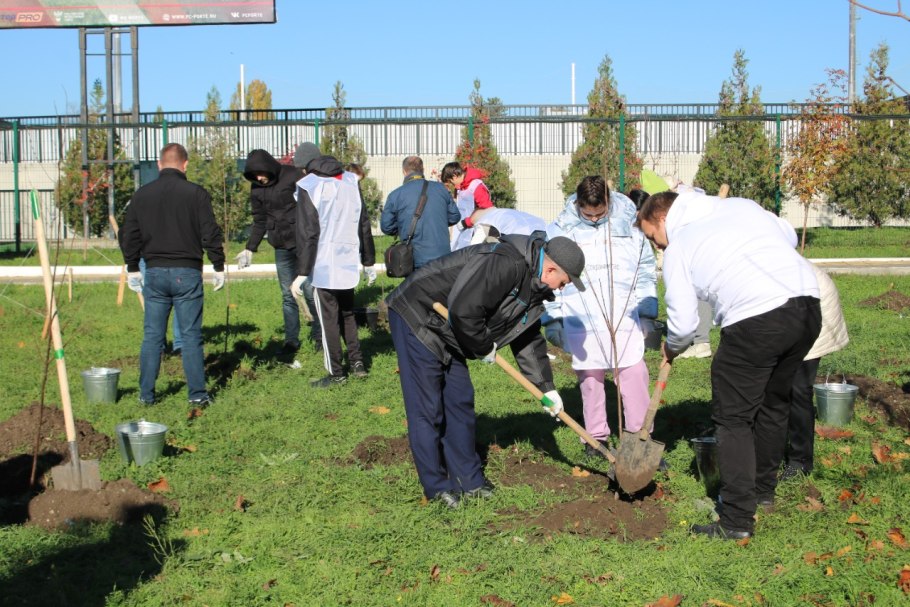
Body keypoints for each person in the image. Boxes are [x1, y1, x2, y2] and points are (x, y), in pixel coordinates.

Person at [636, 187, 821, 540]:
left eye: (653, 237)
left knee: (733, 417)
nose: (657, 246)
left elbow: (685, 324)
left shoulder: (681, 245)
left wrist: (671, 348)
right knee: (773, 403)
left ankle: (736, 518)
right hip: (807, 304)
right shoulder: (741, 206)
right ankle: (762, 492)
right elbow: (787, 233)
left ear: (662, 217)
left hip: (756, 316)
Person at [385, 231, 586, 508]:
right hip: (419, 314)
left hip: (450, 331)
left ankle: (470, 481)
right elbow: (465, 309)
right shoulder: (507, 262)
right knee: (427, 406)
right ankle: (437, 487)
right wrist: (483, 346)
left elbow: (527, 339)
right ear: (550, 268)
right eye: (563, 282)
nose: (560, 288)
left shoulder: (534, 287)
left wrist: (547, 388)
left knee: (460, 401)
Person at [548, 176, 658, 458]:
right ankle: (596, 437)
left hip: (623, 311)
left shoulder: (631, 223)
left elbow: (644, 269)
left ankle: (640, 436)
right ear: (578, 205)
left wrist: (646, 311)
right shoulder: (561, 229)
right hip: (581, 313)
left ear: (609, 202)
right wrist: (553, 319)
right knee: (590, 377)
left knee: (634, 373)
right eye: (588, 214)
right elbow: (549, 275)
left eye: (600, 213)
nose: (595, 219)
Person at [120, 143, 225, 407]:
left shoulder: (142, 195)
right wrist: (218, 265)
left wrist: (132, 267)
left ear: (158, 163)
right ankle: (198, 395)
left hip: (153, 271)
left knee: (153, 335)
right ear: (185, 164)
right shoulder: (196, 194)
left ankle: (146, 394)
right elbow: (209, 231)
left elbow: (128, 235)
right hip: (187, 271)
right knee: (190, 335)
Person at [291, 154, 376, 388]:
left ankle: (336, 372)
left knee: (328, 318)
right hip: (347, 259)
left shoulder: (309, 185)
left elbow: (308, 231)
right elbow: (363, 223)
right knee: (347, 314)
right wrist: (368, 260)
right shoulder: (351, 181)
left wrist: (302, 271)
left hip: (323, 263)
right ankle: (358, 363)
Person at [783, 264, 849, 480]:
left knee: (798, 388)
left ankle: (800, 461)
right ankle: (763, 450)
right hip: (778, 311)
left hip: (811, 311)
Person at [236, 149, 305, 353]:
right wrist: (250, 248)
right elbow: (259, 221)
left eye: (261, 173)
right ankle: (291, 340)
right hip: (280, 245)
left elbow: (310, 205)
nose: (259, 177)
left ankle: (320, 336)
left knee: (309, 290)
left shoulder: (292, 175)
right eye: (254, 175)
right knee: (287, 294)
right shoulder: (256, 189)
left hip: (302, 242)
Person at [380, 156, 460, 269]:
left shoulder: (395, 195)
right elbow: (455, 217)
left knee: (418, 286)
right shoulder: (441, 189)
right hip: (442, 255)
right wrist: (437, 221)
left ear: (404, 171)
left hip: (414, 258)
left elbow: (386, 227)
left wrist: (403, 226)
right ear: (423, 169)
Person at [440, 161, 494, 250]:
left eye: (451, 182)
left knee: (470, 257)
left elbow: (487, 210)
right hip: (463, 229)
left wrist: (467, 222)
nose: (453, 185)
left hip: (477, 229)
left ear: (454, 176)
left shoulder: (477, 186)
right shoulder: (460, 187)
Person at [451, 207, 546, 250]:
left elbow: (472, 250)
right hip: (541, 227)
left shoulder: (483, 221)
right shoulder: (499, 212)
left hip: (523, 238)